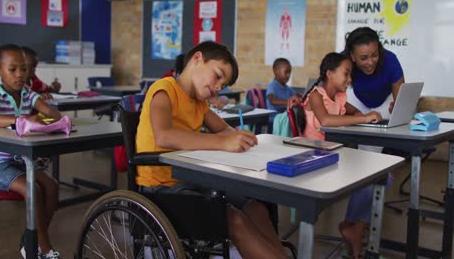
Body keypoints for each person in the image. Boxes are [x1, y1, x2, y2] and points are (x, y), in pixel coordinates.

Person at [136, 41, 287, 259]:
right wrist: (223, 142)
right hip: (161, 188)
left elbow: (225, 131)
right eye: (217, 76)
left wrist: (242, 138)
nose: (217, 88)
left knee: (256, 208)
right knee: (234, 219)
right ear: (197, 59)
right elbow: (164, 136)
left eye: (222, 85)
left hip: (191, 179)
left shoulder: (199, 103)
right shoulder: (164, 89)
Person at [294, 52, 381, 258]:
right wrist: (364, 118)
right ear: (329, 73)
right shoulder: (316, 95)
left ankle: (352, 226)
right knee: (371, 180)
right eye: (346, 74)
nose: (350, 80)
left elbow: (357, 115)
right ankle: (353, 230)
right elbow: (325, 120)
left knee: (381, 176)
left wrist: (368, 116)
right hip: (313, 157)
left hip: (334, 154)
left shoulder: (341, 96)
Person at [0, 44, 62, 259]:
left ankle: (32, 239)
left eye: (24, 69)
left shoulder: (28, 94)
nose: (20, 74)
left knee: (52, 186)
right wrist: (21, 120)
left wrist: (48, 114)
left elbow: (52, 113)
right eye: (12, 69)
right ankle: (45, 247)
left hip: (20, 160)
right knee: (32, 189)